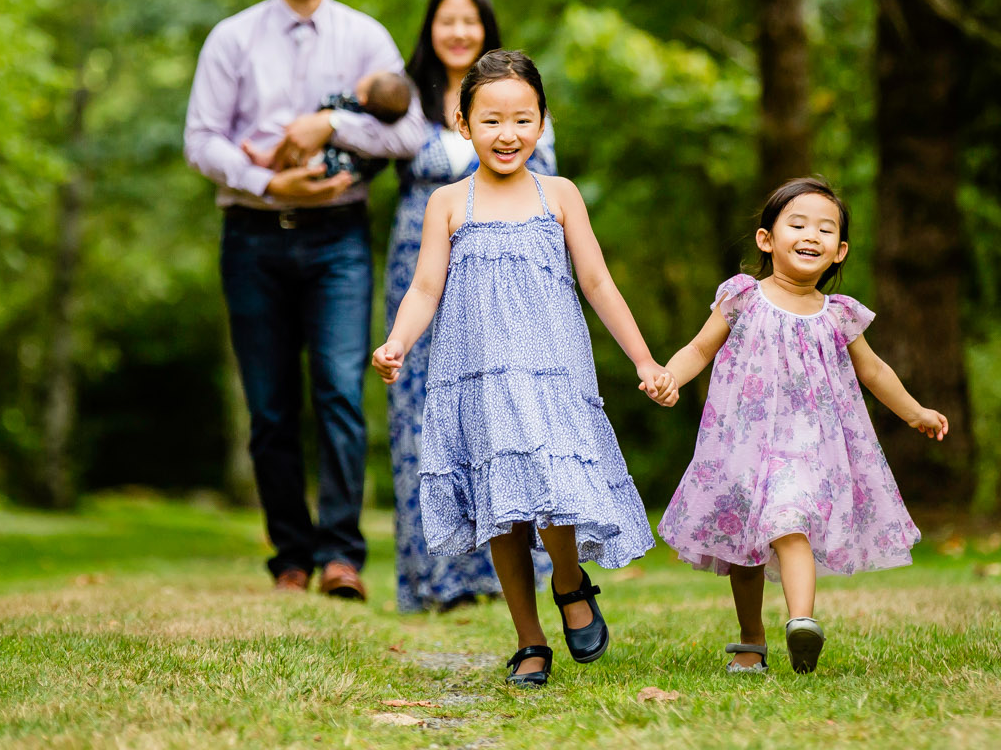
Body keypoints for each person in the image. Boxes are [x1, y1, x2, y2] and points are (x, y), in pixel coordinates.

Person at [373, 51, 669, 686]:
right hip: (477, 374)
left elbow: (597, 280)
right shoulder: (449, 203)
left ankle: (568, 581)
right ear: (462, 123)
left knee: (555, 485)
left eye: (522, 119)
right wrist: (396, 342)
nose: (506, 134)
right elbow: (425, 288)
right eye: (491, 120)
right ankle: (529, 640)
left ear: (542, 124)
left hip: (551, 369)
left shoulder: (558, 195)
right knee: (500, 508)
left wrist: (644, 358)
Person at [184, 0, 426, 601]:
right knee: (269, 406)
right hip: (252, 235)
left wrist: (329, 124)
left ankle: (340, 555)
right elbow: (200, 140)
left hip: (337, 241)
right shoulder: (231, 39)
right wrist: (268, 179)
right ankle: (289, 553)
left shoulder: (365, 39)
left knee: (339, 393)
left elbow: (406, 133)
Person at [647, 176, 949, 674]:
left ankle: (801, 623)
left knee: (791, 520)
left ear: (840, 251)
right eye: (798, 224)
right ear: (767, 239)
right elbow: (701, 347)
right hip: (743, 444)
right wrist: (669, 377)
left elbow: (874, 371)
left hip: (809, 447)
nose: (812, 235)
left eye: (825, 229)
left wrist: (915, 411)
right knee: (743, 546)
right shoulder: (742, 297)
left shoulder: (839, 316)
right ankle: (751, 638)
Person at [384, 0, 556, 613]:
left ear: (486, 27)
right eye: (445, 20)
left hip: (503, 276)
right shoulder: (405, 101)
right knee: (425, 417)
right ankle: (435, 578)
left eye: (470, 20)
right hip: (418, 268)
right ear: (429, 30)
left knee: (508, 411)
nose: (457, 31)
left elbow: (545, 179)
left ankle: (507, 578)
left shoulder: (513, 97)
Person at [245, 69, 414, 184]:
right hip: (339, 171)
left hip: (316, 154)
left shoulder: (346, 102)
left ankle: (269, 157)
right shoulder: (384, 126)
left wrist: (328, 121)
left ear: (363, 98)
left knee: (297, 134)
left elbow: (324, 108)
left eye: (368, 78)